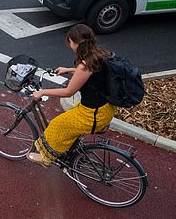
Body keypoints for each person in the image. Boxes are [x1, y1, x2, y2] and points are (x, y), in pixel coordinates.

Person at [27, 24, 116, 165]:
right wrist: (68, 70)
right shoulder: (99, 54)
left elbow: (68, 92)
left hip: (93, 114)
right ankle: (70, 151)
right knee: (70, 120)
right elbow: (91, 74)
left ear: (74, 43)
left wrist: (43, 92)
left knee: (57, 124)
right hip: (105, 108)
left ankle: (46, 157)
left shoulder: (85, 65)